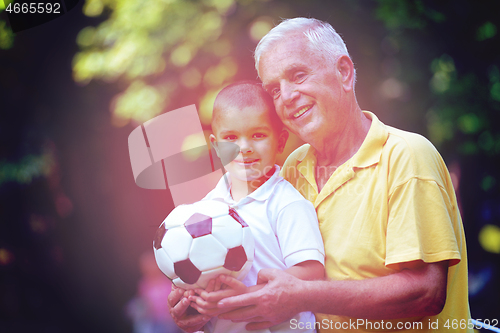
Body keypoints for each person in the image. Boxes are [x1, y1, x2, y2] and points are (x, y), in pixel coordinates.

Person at [169, 18, 472, 333]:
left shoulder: (406, 155)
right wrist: (201, 301)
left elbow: (426, 293)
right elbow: (262, 279)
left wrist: (302, 296)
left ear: (344, 71)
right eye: (273, 89)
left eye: (298, 75)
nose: (286, 96)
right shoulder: (290, 168)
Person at [172, 81, 326, 333]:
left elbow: (311, 272)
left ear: (280, 142)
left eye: (258, 135)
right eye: (231, 137)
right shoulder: (204, 211)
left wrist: (249, 296)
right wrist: (190, 303)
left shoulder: (288, 204)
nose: (244, 148)